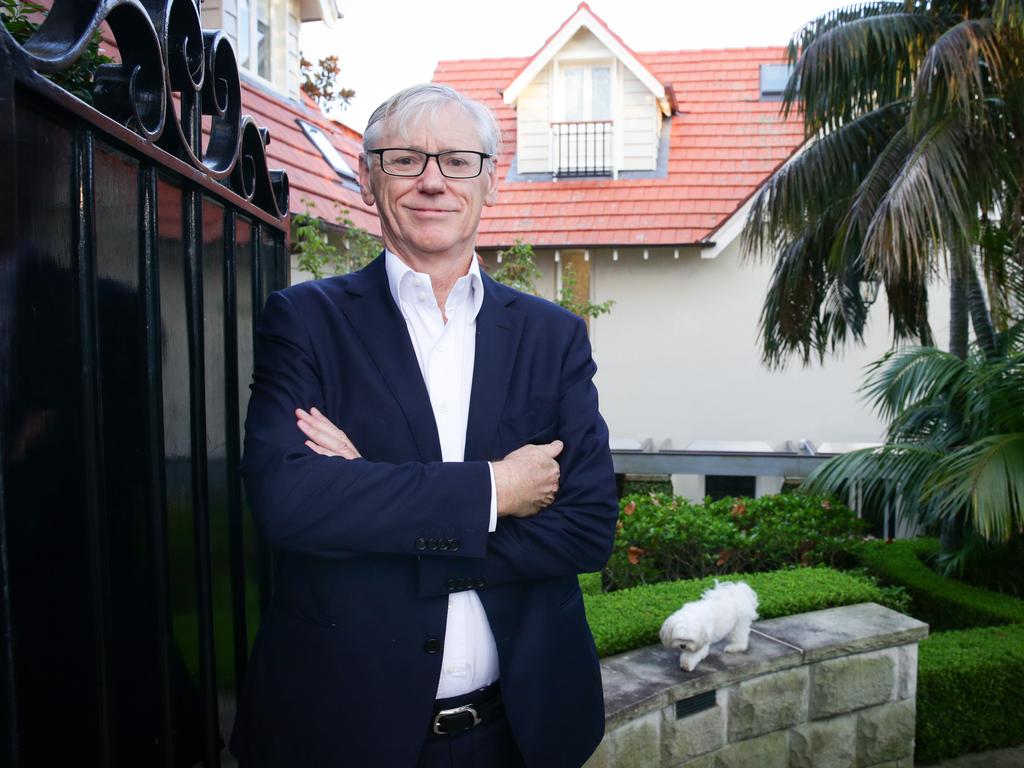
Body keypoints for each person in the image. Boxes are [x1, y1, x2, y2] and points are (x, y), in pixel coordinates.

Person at [229, 83, 618, 768]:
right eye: (406, 158)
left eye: (458, 161)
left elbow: (587, 528)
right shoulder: (305, 322)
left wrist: (374, 504)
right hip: (345, 733)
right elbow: (287, 504)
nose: (433, 181)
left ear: (489, 181)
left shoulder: (552, 338)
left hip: (521, 731)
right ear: (368, 174)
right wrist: (492, 493)